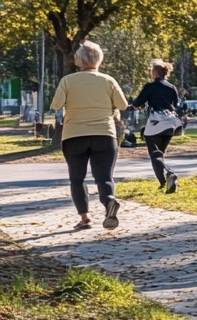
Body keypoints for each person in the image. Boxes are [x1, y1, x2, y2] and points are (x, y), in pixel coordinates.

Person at [50, 41, 129, 231]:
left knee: (77, 179)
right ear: (99, 59)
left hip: (74, 135)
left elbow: (56, 105)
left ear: (78, 60)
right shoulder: (108, 80)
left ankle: (85, 218)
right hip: (104, 134)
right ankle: (109, 201)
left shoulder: (68, 81)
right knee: (104, 177)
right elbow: (123, 105)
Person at [132, 59, 181, 194]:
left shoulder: (150, 86)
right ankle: (163, 183)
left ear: (155, 72)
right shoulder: (172, 87)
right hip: (170, 123)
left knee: (154, 153)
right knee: (160, 154)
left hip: (156, 122)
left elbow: (137, 102)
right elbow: (175, 104)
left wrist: (139, 104)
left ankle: (169, 173)